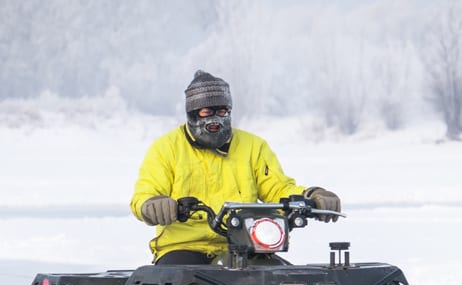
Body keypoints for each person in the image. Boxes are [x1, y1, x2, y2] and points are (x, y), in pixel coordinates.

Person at [130, 70, 342, 265]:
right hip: (184, 247)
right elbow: (144, 195)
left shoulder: (253, 146)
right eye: (207, 112)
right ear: (193, 114)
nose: (215, 120)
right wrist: (154, 204)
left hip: (246, 244)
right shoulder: (166, 149)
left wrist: (310, 195)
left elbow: (278, 189)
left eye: (222, 111)